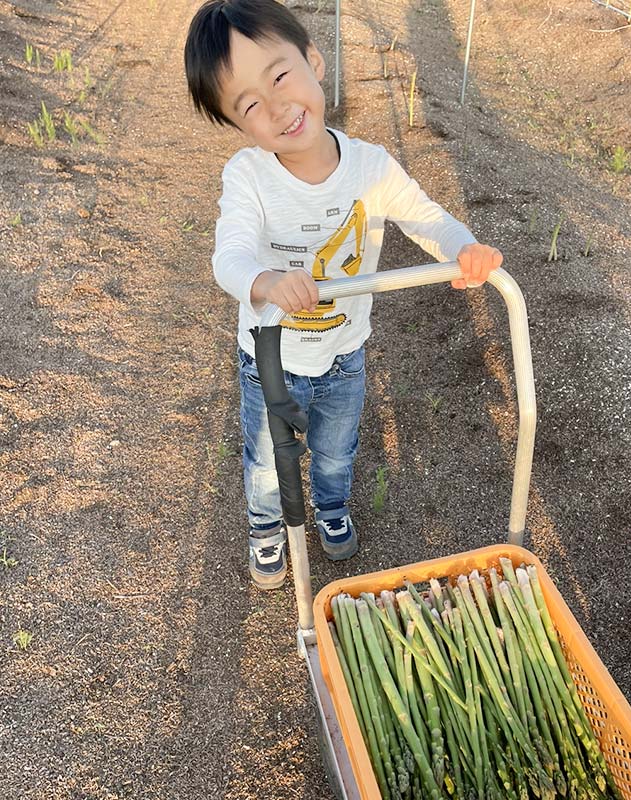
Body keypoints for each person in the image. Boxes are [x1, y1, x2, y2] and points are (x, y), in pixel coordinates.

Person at [184, 0, 503, 590]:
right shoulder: (249, 177)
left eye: (280, 76)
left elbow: (427, 218)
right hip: (270, 360)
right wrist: (266, 281)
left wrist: (464, 247)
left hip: (344, 354)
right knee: (265, 467)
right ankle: (265, 528)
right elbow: (229, 255)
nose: (277, 107)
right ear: (238, 126)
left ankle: (332, 511)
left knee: (336, 451)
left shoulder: (371, 168)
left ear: (313, 60)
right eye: (250, 104)